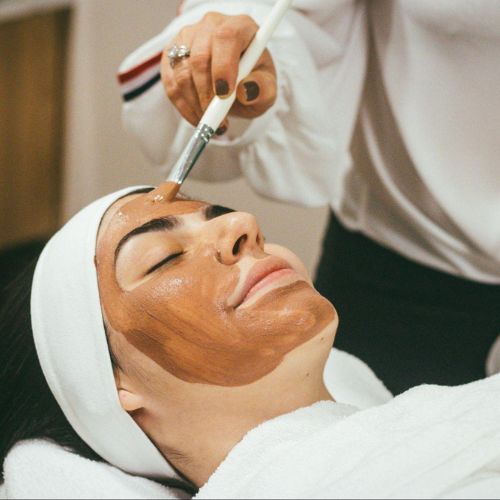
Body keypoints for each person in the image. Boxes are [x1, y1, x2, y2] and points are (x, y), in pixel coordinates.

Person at [1, 183, 499, 498]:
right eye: (163, 258)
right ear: (111, 385)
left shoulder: (420, 428)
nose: (244, 224)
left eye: (218, 216)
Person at [117, 0, 500, 394]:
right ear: (119, 389)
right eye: (162, 258)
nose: (242, 223)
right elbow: (280, 15)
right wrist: (237, 51)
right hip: (407, 273)